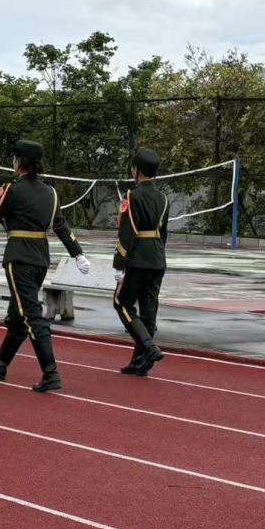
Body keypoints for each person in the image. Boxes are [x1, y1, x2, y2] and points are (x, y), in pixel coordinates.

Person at [0, 140, 91, 392]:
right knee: (19, 315)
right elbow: (60, 225)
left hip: (19, 258)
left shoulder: (12, 190)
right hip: (40, 259)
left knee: (30, 315)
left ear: (19, 162)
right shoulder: (50, 193)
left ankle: (51, 373)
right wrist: (77, 253)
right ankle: (0, 364)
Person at [114, 148, 170, 376]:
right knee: (148, 311)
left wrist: (119, 263)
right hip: (157, 257)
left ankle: (149, 347)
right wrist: (158, 254)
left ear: (136, 170)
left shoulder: (131, 196)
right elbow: (163, 233)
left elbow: (127, 231)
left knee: (122, 302)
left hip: (138, 257)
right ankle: (140, 362)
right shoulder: (163, 198)